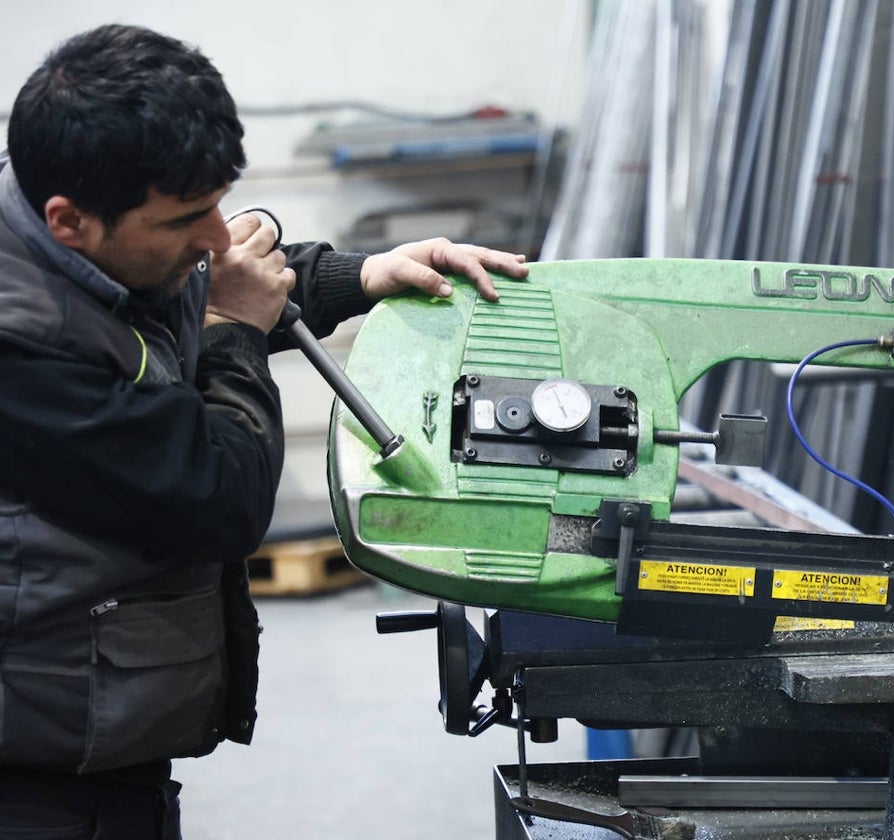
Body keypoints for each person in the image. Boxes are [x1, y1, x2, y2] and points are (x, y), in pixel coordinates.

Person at [0, 23, 528, 839]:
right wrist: (237, 332)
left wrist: (361, 275)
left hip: (100, 739)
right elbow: (218, 495)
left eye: (217, 202)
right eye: (187, 218)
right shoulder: (21, 347)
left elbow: (195, 278)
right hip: (38, 779)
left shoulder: (62, 211)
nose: (216, 235)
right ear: (70, 221)